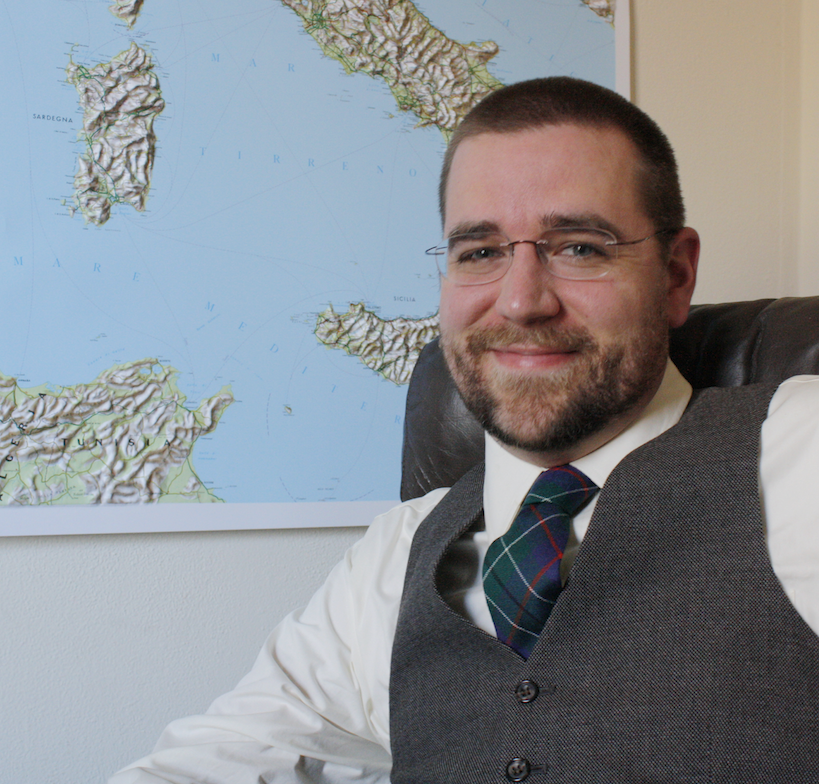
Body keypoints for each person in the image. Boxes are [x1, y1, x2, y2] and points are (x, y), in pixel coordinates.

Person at [111, 77, 819, 784]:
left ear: (674, 275)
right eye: (479, 252)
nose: (519, 301)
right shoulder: (397, 554)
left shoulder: (795, 454)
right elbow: (218, 758)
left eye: (577, 247)